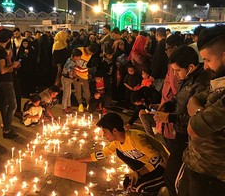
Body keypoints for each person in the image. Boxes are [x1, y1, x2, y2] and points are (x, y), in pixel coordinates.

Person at [149, 45, 210, 196]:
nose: (175, 75)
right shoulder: (188, 78)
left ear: (190, 67)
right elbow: (179, 99)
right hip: (180, 133)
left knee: (175, 177)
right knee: (172, 175)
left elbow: (198, 117)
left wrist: (170, 117)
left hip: (190, 138)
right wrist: (166, 106)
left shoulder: (203, 83)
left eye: (177, 70)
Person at [178, 25, 225, 196]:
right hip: (195, 164)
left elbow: (194, 129)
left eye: (207, 60)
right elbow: (194, 99)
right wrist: (201, 113)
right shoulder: (218, 82)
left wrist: (197, 116)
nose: (204, 67)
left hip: (214, 176)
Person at [78, 113, 169, 194]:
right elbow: (104, 153)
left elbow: (157, 158)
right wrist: (81, 160)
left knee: (137, 187)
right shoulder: (117, 142)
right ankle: (147, 181)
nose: (103, 135)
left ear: (114, 131)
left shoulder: (136, 139)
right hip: (147, 164)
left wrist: (138, 173)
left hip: (164, 166)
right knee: (127, 181)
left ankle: (162, 181)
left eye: (105, 132)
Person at [0, 28, 20, 139]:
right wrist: (13, 65)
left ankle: (6, 126)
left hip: (3, 81)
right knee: (13, 105)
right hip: (5, 81)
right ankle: (7, 130)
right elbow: (2, 70)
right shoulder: (0, 51)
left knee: (4, 105)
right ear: (8, 39)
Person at [74, 43, 99, 112]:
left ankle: (88, 104)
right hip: (76, 74)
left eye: (92, 54)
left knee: (87, 91)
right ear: (88, 48)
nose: (90, 54)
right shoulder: (79, 50)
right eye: (90, 52)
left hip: (84, 74)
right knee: (78, 91)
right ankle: (80, 104)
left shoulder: (90, 55)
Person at [61, 48, 82, 114]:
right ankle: (64, 108)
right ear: (75, 56)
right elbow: (70, 75)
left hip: (67, 79)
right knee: (66, 94)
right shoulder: (70, 63)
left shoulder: (70, 59)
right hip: (66, 79)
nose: (79, 58)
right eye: (78, 57)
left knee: (68, 93)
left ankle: (68, 106)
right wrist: (78, 80)